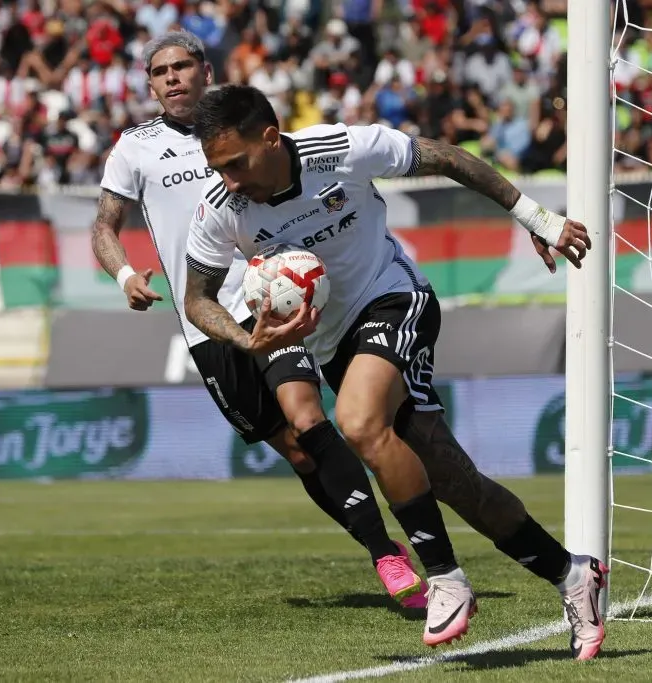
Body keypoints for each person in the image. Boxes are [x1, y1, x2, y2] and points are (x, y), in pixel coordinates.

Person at [183, 84, 608, 658]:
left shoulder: (343, 148)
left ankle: (446, 579)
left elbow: (448, 158)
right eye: (218, 168)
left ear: (269, 136)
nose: (229, 179)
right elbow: (197, 299)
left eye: (235, 163)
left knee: (357, 422)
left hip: (395, 299)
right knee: (455, 481)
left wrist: (535, 216)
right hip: (334, 345)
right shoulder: (219, 208)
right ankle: (572, 573)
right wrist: (245, 338)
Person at [90, 32, 428, 609]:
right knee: (297, 452)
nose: (172, 78)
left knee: (309, 416)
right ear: (149, 85)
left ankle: (393, 559)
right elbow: (104, 225)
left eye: (182, 66)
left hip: (272, 299)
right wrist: (125, 276)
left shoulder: (241, 125)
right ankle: (380, 543)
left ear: (205, 69)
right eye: (160, 71)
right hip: (207, 322)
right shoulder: (133, 148)